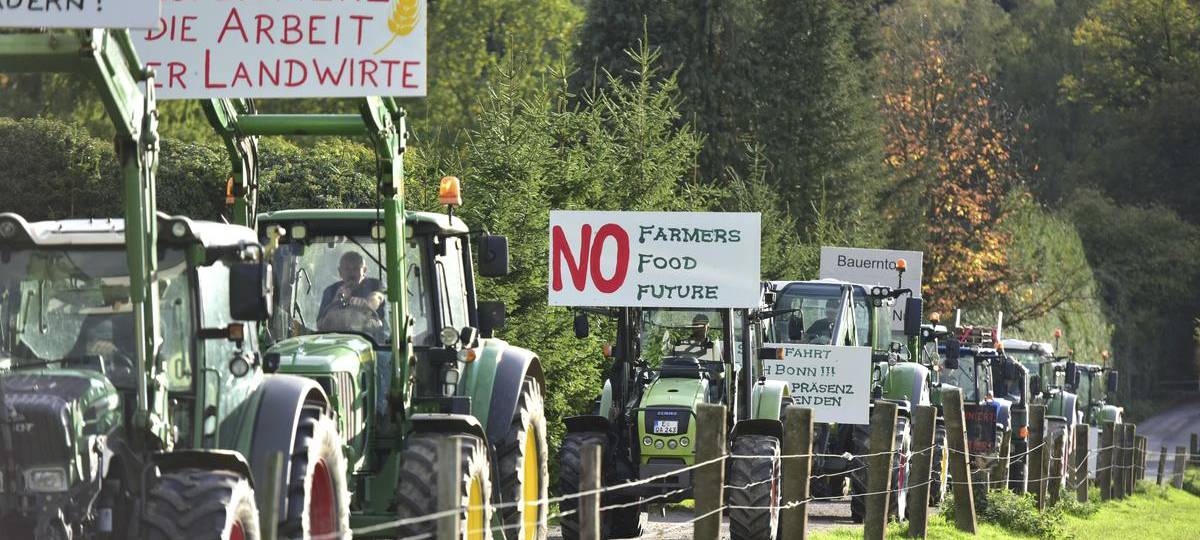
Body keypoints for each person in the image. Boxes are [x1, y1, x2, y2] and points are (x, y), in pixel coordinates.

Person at [317, 251, 386, 323]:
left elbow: (376, 298)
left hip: (372, 333)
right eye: (347, 269)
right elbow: (320, 324)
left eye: (356, 268)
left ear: (364, 271)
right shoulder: (331, 291)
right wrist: (336, 301)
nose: (351, 273)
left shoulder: (375, 285)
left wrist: (366, 304)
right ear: (340, 272)